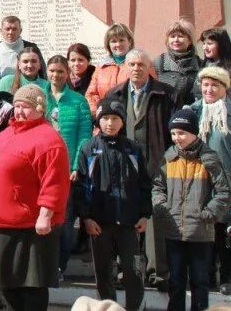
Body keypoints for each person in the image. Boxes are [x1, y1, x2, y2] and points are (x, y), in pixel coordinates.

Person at [0, 85, 70, 311]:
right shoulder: (5, 134)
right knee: (6, 286)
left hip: (30, 227)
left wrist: (45, 214)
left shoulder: (48, 139)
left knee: (31, 288)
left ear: (40, 108)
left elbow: (55, 181)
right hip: (0, 223)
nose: (19, 111)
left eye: (25, 107)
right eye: (17, 106)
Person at [103, 48, 176, 288]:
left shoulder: (166, 94)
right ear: (125, 67)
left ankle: (157, 272)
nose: (136, 69)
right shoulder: (115, 94)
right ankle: (129, 272)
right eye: (131, 64)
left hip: (158, 164)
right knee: (127, 220)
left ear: (149, 68)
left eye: (140, 65)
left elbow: (174, 133)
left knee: (155, 219)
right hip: (125, 167)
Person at [73, 99, 151, 311]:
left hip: (130, 223)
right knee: (104, 273)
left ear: (122, 121)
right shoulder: (89, 149)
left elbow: (145, 184)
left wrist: (145, 214)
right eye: (105, 118)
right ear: (99, 121)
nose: (110, 123)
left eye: (115, 118)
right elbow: (81, 187)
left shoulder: (133, 149)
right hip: (99, 223)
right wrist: (86, 218)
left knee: (134, 271)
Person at [153, 108, 231, 311]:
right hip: (173, 231)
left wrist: (209, 213)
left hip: (201, 232)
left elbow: (224, 192)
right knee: (176, 282)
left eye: (181, 133)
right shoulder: (169, 158)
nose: (176, 138)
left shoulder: (209, 158)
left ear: (194, 132)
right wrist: (162, 207)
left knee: (200, 282)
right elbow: (157, 187)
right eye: (173, 133)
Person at [43, 55, 93, 278]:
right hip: (40, 169)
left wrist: (75, 166)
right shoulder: (39, 97)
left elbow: (84, 136)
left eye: (60, 71)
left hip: (66, 171)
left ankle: (59, 266)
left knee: (63, 221)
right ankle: (42, 264)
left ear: (67, 74)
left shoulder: (78, 101)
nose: (56, 75)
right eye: (52, 70)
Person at [188, 66, 231, 293]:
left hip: (226, 181)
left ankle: (226, 276)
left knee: (225, 231)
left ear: (224, 88)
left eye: (215, 85)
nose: (210, 89)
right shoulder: (192, 112)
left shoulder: (230, 113)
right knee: (205, 229)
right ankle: (204, 276)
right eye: (206, 84)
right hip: (199, 181)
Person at [86, 23, 156, 114]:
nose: (118, 44)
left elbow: (151, 90)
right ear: (108, 44)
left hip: (133, 118)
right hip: (107, 119)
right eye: (113, 41)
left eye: (121, 40)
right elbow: (91, 94)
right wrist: (99, 111)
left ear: (129, 42)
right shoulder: (101, 67)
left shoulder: (142, 62)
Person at [154, 18, 201, 107]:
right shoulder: (158, 63)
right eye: (172, 36)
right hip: (165, 116)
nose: (176, 40)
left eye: (180, 36)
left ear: (190, 40)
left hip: (192, 116)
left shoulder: (200, 64)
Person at [195, 28, 231, 101]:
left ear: (221, 45)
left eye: (209, 43)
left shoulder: (228, 68)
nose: (205, 47)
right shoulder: (203, 66)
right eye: (204, 43)